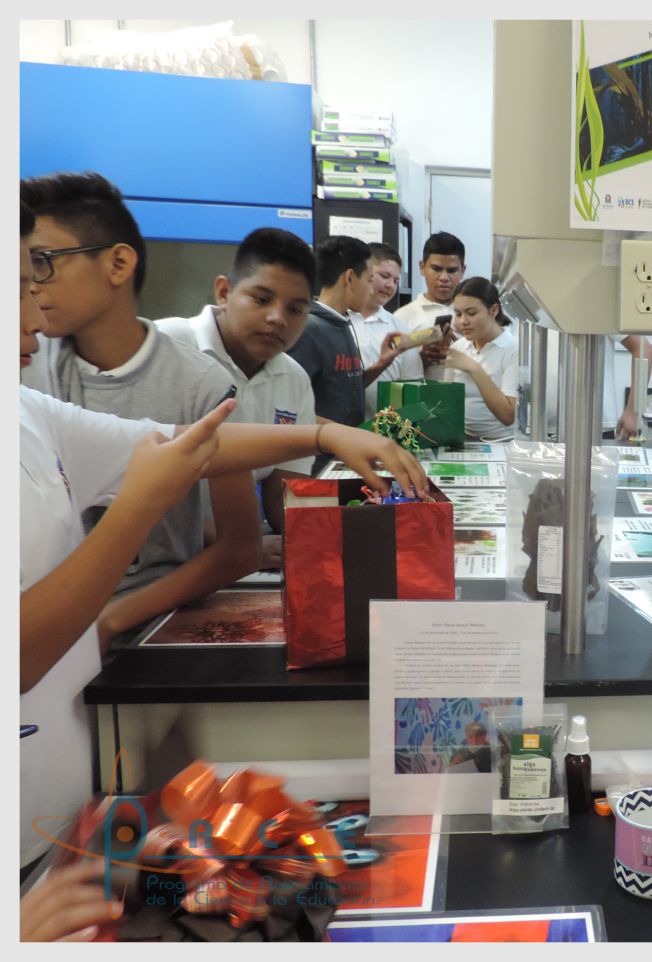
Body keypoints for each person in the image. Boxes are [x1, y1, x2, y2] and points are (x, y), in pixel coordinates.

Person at [19, 200, 427, 878]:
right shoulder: (43, 377)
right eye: (24, 282)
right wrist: (135, 517)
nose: (36, 310)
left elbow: (185, 445)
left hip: (59, 800)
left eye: (40, 275)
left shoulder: (30, 409)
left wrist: (325, 434)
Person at [20, 171, 261, 642]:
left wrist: (112, 620)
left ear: (118, 263)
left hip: (150, 631)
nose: (34, 290)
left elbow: (239, 547)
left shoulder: (201, 383)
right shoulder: (28, 374)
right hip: (40, 632)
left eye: (43, 264)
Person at [155, 227, 318, 555]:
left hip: (235, 561)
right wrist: (235, 543)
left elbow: (285, 495)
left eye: (295, 309)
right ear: (224, 291)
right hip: (146, 561)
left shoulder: (293, 379)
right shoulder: (165, 347)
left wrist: (319, 537)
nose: (278, 318)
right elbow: (123, 480)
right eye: (262, 299)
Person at [286, 235, 369, 432]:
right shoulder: (308, 329)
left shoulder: (342, 323)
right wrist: (341, 434)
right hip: (316, 449)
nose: (370, 289)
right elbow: (288, 406)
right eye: (369, 279)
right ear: (350, 278)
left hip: (343, 447)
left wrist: (384, 362)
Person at [352, 242, 428, 420]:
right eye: (384, 276)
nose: (390, 286)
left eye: (396, 281)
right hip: (335, 426)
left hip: (383, 427)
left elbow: (413, 387)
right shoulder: (339, 320)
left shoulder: (400, 329)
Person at [444, 277, 519, 439]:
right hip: (461, 440)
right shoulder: (458, 348)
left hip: (501, 442)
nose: (463, 321)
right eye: (458, 314)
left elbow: (508, 416)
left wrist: (474, 369)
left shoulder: (515, 350)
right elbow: (447, 404)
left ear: (494, 310)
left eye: (471, 313)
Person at [393, 231, 466, 380]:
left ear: (463, 270)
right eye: (437, 269)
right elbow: (390, 371)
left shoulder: (476, 315)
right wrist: (421, 360)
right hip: (422, 393)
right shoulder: (402, 317)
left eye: (452, 270)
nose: (444, 278)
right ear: (422, 267)